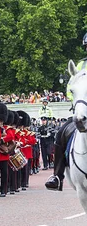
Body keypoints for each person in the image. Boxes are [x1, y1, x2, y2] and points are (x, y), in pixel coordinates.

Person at [46, 35, 87, 190]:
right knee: (61, 133)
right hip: (82, 109)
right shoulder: (81, 64)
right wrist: (76, 100)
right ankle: (57, 176)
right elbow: (71, 88)